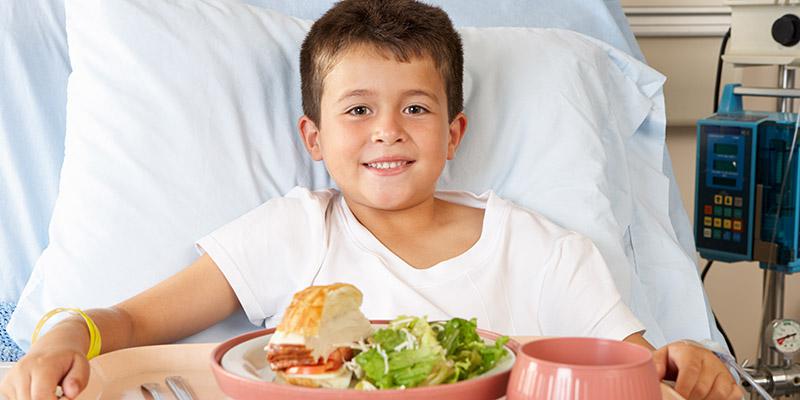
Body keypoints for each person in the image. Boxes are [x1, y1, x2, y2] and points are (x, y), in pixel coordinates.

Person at [1, 1, 742, 399]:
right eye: (357, 110)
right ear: (313, 138)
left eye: (415, 109)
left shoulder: (544, 251)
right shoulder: (292, 233)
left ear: (454, 133)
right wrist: (69, 337)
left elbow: (636, 373)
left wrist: (685, 360)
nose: (388, 131)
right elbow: (129, 320)